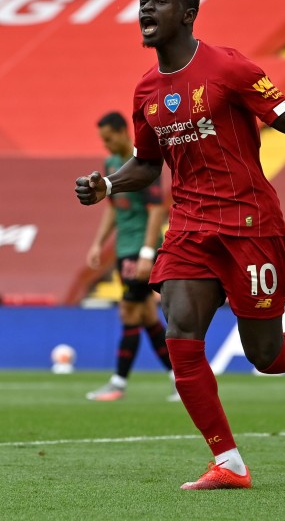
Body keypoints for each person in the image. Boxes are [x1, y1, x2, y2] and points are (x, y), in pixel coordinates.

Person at [75, 0, 285, 491]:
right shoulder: (146, 90)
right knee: (179, 329)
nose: (146, 9)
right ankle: (229, 462)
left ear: (187, 13)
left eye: (159, 2)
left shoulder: (228, 66)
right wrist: (108, 183)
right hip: (192, 227)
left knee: (268, 356)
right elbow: (148, 164)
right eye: (142, 2)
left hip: (248, 224)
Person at [84, 111, 177, 402]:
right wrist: (98, 243)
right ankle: (180, 379)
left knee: (128, 312)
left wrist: (148, 254)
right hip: (125, 249)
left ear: (125, 132)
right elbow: (112, 206)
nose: (106, 146)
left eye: (109, 139)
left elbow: (156, 210)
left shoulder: (144, 164)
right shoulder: (111, 164)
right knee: (147, 315)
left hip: (140, 249)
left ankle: (118, 383)